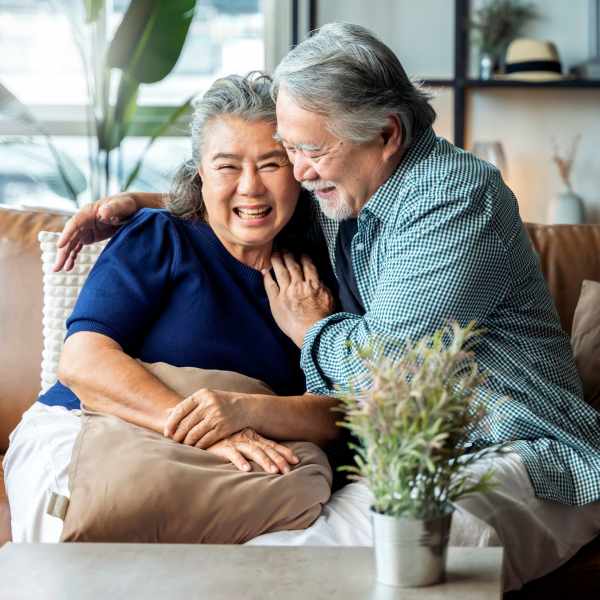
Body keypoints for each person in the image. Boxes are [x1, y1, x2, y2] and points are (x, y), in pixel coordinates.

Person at [55, 23, 600, 592]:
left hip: (518, 452)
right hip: (410, 451)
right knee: (274, 562)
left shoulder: (453, 201)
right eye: (289, 150)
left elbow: (388, 374)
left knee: (327, 573)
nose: (297, 170)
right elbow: (250, 193)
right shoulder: (350, 185)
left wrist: (313, 327)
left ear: (387, 133)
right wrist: (140, 202)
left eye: (307, 151)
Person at [3, 72, 344, 544]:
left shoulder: (318, 275)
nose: (251, 188)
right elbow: (83, 361)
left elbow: (342, 414)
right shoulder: (161, 236)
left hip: (244, 457)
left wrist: (251, 402)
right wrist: (208, 429)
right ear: (199, 173)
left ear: (300, 170)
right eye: (227, 166)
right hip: (102, 425)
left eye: (271, 164)